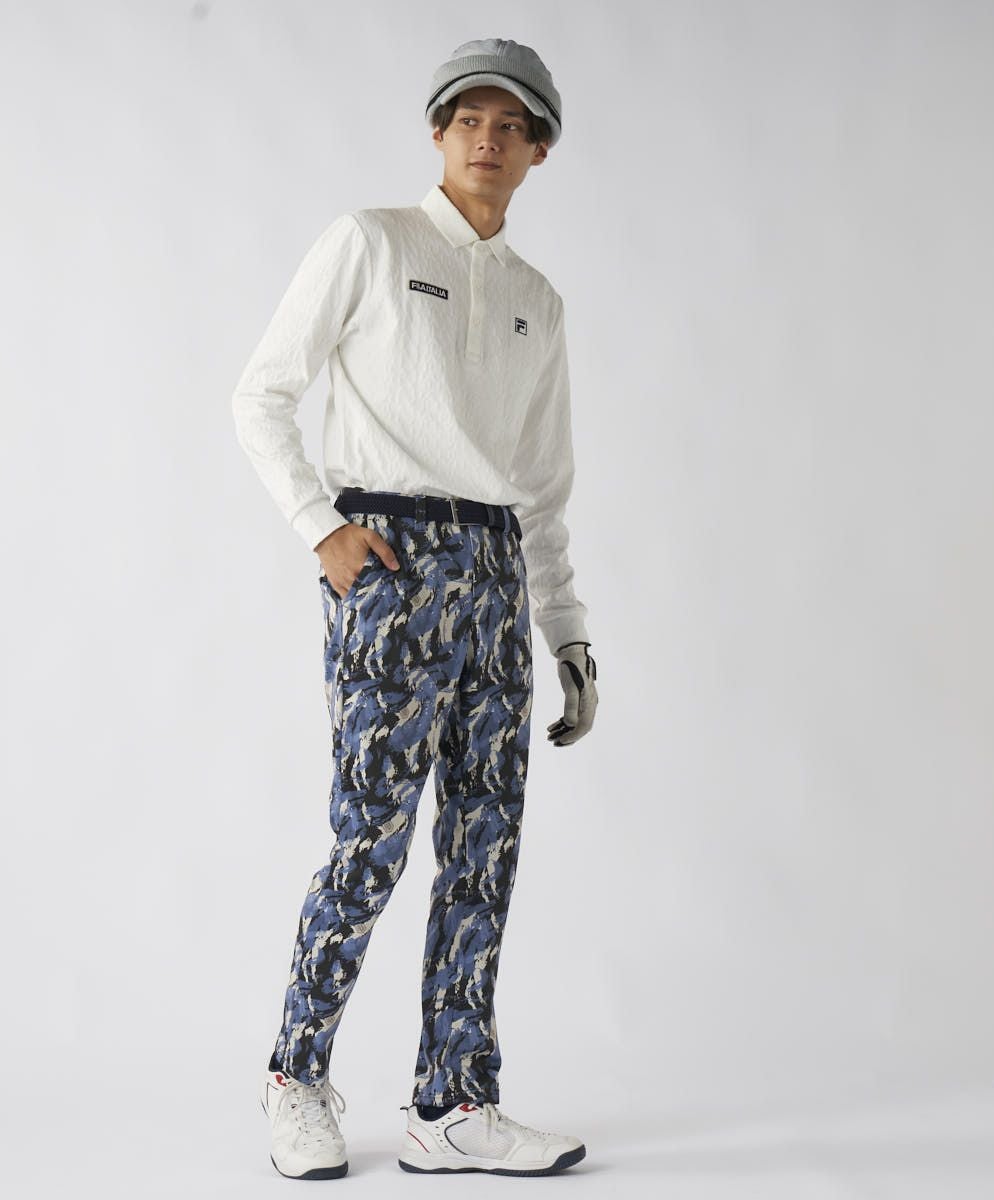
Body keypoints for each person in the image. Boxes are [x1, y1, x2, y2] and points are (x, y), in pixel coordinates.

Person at [232, 36, 599, 1180]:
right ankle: (296, 1079)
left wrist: (567, 632)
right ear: (439, 133)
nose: (487, 139)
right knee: (370, 840)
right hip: (390, 563)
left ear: (538, 151)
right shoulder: (372, 242)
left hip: (492, 574)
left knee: (484, 847)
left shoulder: (538, 301)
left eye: (510, 125)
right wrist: (322, 528)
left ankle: (452, 1105)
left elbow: (542, 490)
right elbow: (261, 394)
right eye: (468, 119)